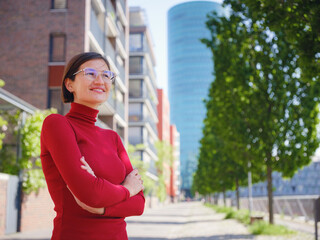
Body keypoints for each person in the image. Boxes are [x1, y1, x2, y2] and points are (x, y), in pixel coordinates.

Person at [40, 52, 145, 240]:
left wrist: (103, 207)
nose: (100, 80)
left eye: (106, 75)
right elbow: (90, 194)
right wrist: (128, 189)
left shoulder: (113, 138)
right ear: (69, 84)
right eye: (90, 73)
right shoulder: (57, 124)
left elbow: (139, 205)